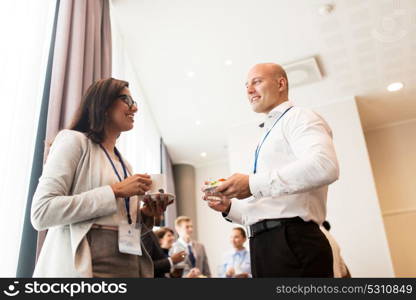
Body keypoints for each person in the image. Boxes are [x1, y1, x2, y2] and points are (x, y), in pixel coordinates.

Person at [203, 63, 339, 277]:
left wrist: (251, 184)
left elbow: (324, 166)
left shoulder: (299, 117)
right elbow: (267, 210)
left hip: (292, 243)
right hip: (262, 245)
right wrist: (228, 207)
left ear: (281, 83)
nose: (248, 91)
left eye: (256, 82)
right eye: (246, 85)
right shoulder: (265, 137)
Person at [31, 78, 172, 277]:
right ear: (103, 104)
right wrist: (115, 191)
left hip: (128, 264)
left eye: (135, 103)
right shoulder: (74, 141)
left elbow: (122, 222)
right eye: (127, 101)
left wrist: (146, 215)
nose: (135, 109)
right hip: (88, 264)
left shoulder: (125, 164)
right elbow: (41, 212)